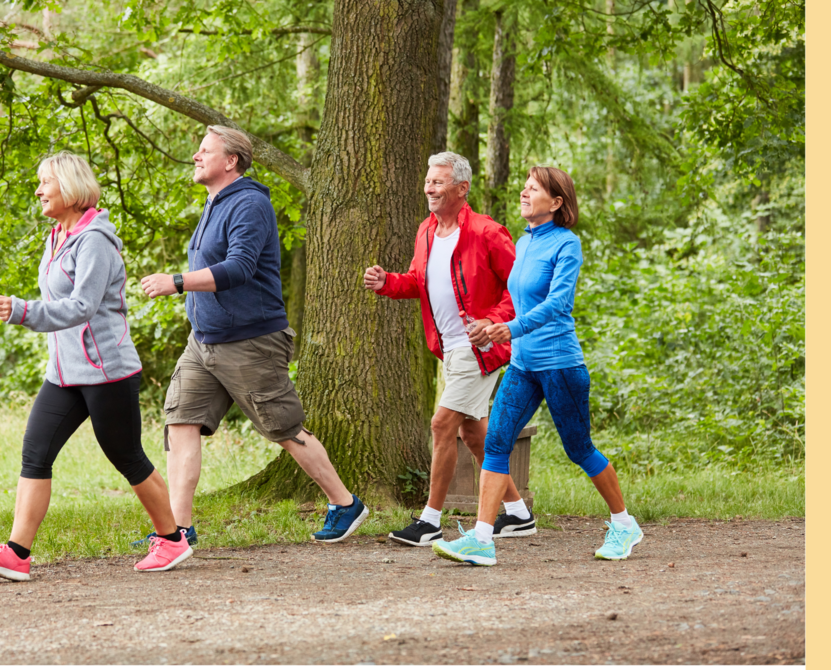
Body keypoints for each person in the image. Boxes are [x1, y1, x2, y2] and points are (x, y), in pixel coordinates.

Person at [0, 151, 191, 581]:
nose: (38, 190)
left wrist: (24, 311)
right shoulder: (58, 236)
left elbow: (83, 306)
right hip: (64, 374)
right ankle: (16, 553)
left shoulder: (95, 241)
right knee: (36, 452)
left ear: (69, 187)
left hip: (107, 371)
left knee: (127, 456)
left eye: (45, 182)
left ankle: (173, 540)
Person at [139, 126, 368, 544]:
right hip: (204, 340)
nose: (195, 155)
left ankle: (345, 503)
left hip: (250, 341)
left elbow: (240, 268)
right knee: (180, 423)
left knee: (284, 428)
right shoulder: (214, 203)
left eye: (204, 150)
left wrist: (177, 281)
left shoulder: (249, 203)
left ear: (231, 161)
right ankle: (177, 531)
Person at [432, 166, 644, 566]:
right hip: (523, 365)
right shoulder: (525, 243)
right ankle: (481, 539)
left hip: (560, 364)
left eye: (534, 189)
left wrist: (509, 329)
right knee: (496, 443)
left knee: (578, 448)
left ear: (557, 202)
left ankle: (624, 523)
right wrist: (491, 325)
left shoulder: (567, 245)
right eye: (525, 187)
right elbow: (516, 300)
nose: (525, 193)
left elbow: (558, 304)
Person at [363, 152, 532, 547]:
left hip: (481, 349)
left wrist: (493, 323)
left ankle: (430, 520)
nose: (429, 188)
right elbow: (418, 282)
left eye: (438, 182)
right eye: (428, 181)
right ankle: (520, 515)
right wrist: (387, 281)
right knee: (474, 435)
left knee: (442, 424)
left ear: (461, 188)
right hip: (449, 350)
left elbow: (521, 289)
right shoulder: (425, 231)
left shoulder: (488, 232)